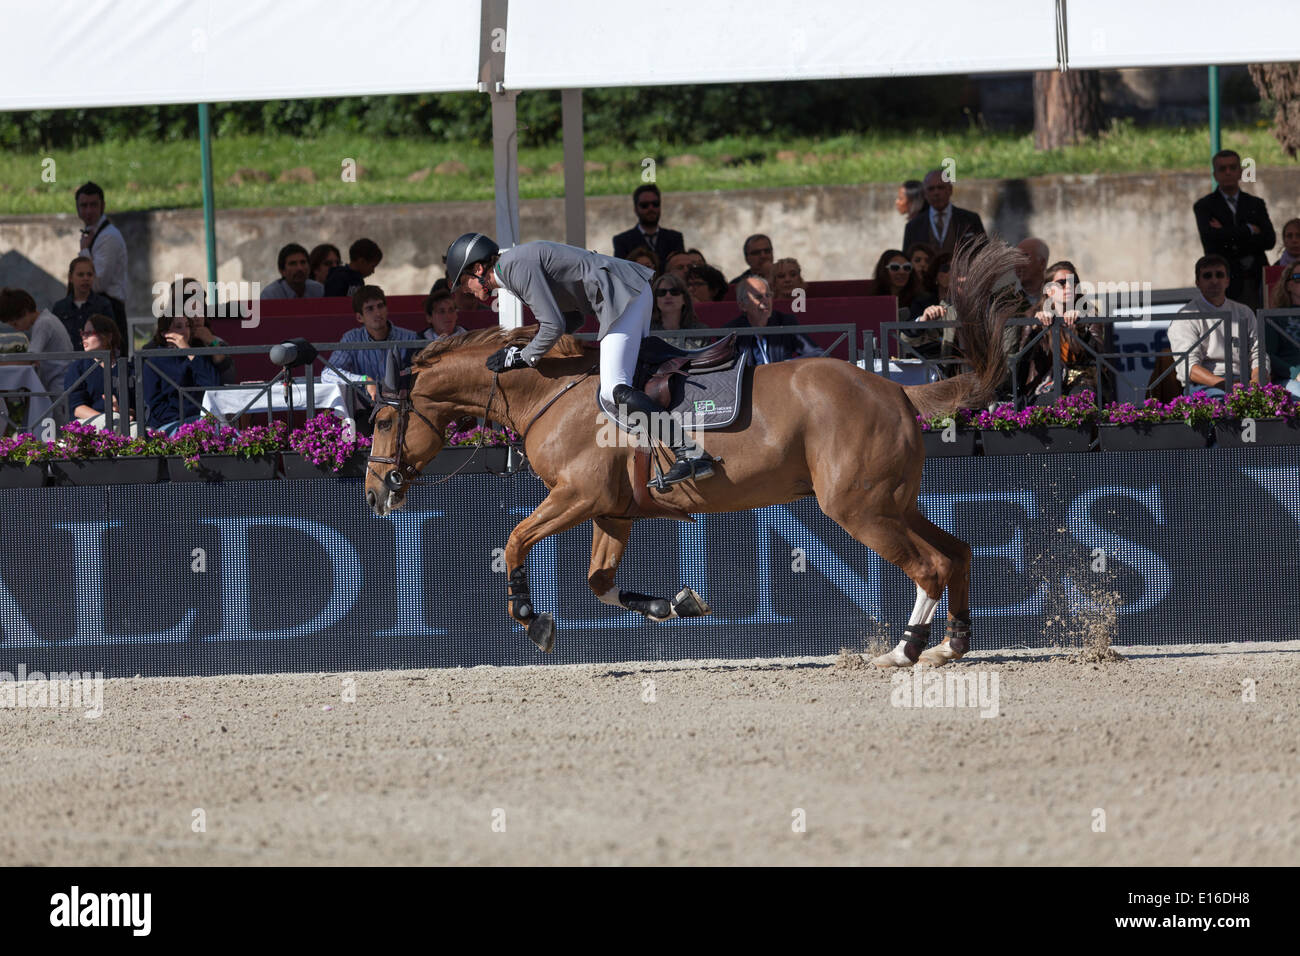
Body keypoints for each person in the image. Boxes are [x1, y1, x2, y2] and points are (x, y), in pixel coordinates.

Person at [444, 232, 716, 488]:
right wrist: (530, 350)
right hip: (627, 291)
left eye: (462, 283)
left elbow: (552, 325)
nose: (463, 292)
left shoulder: (514, 268)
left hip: (623, 295)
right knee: (633, 379)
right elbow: (571, 318)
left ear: (478, 269)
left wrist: (522, 356)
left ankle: (690, 452)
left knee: (613, 390)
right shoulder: (512, 268)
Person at [1193, 150, 1275, 309]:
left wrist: (1226, 233)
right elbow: (1211, 242)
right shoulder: (1204, 206)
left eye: (1232, 167)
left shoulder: (1255, 204)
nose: (1228, 172)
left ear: (1241, 172)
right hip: (1224, 284)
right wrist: (1249, 230)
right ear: (1215, 174)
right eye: (1222, 169)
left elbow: (1269, 240)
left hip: (1257, 280)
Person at [1170, 254, 1262, 396]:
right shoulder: (1185, 316)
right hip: (1204, 387)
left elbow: (1258, 354)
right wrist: (1228, 386)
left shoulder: (1244, 312)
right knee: (1223, 409)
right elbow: (1188, 367)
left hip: (1243, 383)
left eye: (1219, 275)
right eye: (1207, 276)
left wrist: (1256, 381)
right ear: (1197, 282)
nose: (1214, 280)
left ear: (1227, 281)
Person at [1026, 260, 1111, 403]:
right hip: (1045, 383)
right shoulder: (1033, 316)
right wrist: (1037, 329)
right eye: (1062, 283)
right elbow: (1023, 359)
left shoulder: (1088, 314)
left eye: (1073, 282)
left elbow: (1100, 355)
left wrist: (1080, 327)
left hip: (1082, 381)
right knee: (1044, 403)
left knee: (1079, 400)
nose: (1069, 287)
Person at [326, 286, 421, 402]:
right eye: (370, 309)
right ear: (359, 317)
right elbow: (328, 373)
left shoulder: (410, 338)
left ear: (387, 309)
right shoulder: (351, 338)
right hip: (368, 409)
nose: (377, 313)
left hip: (405, 407)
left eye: (380, 306)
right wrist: (365, 381)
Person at [141, 311, 222, 433]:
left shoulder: (196, 355)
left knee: (230, 438)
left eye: (187, 326)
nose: (185, 331)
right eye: (179, 327)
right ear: (165, 333)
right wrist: (186, 424)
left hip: (200, 420)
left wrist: (187, 351)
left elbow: (213, 384)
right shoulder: (153, 361)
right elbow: (155, 404)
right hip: (170, 424)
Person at [0, 288, 74, 421]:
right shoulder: (46, 320)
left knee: (62, 430)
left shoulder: (43, 323)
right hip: (59, 384)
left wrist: (3, 363)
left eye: (15, 323)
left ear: (25, 312)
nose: (16, 329)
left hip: (60, 386)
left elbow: (30, 358)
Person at [74, 182, 129, 343]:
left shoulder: (108, 236)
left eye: (93, 205)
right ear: (77, 209)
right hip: (98, 308)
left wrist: (84, 251)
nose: (88, 211)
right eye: (84, 205)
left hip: (110, 309)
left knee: (113, 362)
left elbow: (98, 284)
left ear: (103, 206)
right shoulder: (94, 233)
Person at [64, 313, 136, 432]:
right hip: (88, 426)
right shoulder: (78, 367)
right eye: (83, 333)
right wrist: (108, 420)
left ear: (107, 336)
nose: (84, 337)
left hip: (121, 423)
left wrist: (120, 410)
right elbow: (77, 408)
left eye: (89, 333)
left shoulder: (126, 368)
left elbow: (135, 408)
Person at [725, 276, 812, 365]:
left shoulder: (785, 322)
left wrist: (788, 365)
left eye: (768, 295)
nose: (766, 301)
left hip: (780, 377)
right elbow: (727, 370)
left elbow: (816, 353)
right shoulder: (731, 334)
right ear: (742, 305)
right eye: (759, 297)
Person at [902, 169, 985, 254]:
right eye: (931, 189)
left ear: (950, 190)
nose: (936, 193)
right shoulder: (913, 227)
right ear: (925, 194)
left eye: (940, 187)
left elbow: (983, 252)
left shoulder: (971, 220)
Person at [51, 256, 115, 351]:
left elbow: (112, 337)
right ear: (70, 278)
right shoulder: (60, 307)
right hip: (68, 361)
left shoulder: (103, 305)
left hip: (96, 360)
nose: (86, 278)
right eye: (80, 275)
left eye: (89, 275)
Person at [612, 184, 685, 262]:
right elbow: (620, 271)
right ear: (635, 209)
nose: (651, 208)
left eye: (655, 204)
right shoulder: (622, 241)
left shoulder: (675, 238)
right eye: (644, 205)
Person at [650, 273, 711, 349]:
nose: (668, 296)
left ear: (685, 299)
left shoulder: (701, 331)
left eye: (674, 291)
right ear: (655, 300)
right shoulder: (646, 332)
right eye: (662, 292)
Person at [1265, 266, 1300, 394]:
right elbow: (1268, 355)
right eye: (1298, 278)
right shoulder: (1275, 317)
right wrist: (1295, 373)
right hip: (1290, 379)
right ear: (1288, 285)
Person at [873, 249, 925, 318]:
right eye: (895, 267)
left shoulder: (920, 300)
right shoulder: (874, 300)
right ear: (883, 270)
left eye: (906, 267)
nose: (902, 272)